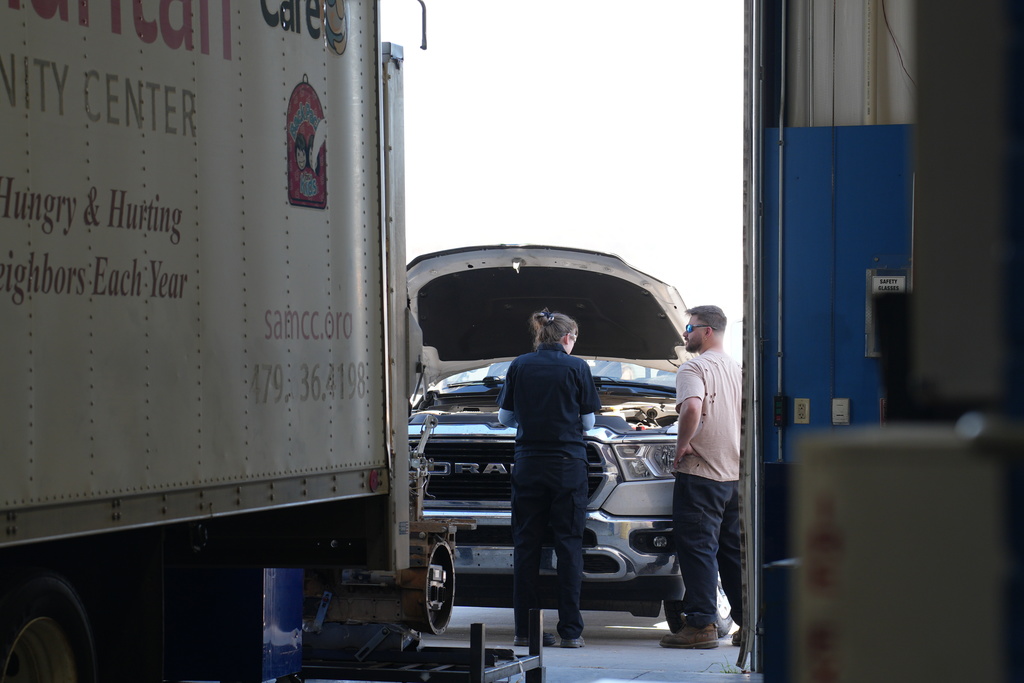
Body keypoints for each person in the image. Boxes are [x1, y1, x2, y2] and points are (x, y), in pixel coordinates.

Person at [497, 309, 601, 649]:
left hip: (528, 464)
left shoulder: (519, 365)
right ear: (568, 338)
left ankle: (525, 631)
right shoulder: (578, 367)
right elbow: (587, 425)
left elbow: (504, 417)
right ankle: (571, 631)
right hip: (567, 466)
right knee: (568, 547)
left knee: (526, 546)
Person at [660, 305, 743, 650]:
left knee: (697, 550)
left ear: (706, 330)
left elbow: (693, 408)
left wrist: (682, 445)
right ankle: (749, 623)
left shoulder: (693, 367)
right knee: (732, 552)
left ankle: (701, 625)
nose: (685, 333)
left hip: (702, 472)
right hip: (734, 475)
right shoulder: (736, 368)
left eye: (689, 327)